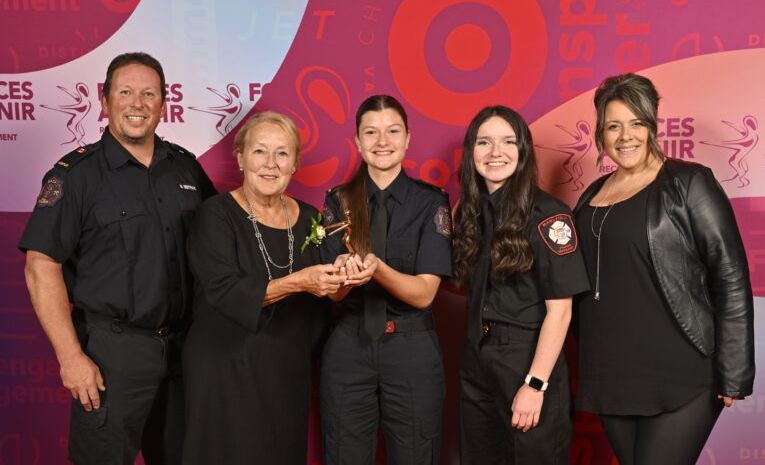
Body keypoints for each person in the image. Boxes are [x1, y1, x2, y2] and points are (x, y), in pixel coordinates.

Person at [18, 52, 216, 465]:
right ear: (104, 101)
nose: (137, 103)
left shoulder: (186, 169)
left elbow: (221, 248)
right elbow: (40, 267)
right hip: (111, 354)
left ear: (164, 104)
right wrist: (71, 358)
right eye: (125, 92)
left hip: (184, 352)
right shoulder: (74, 176)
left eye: (149, 94)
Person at [573, 73, 755, 465]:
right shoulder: (591, 195)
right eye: (613, 126)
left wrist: (735, 370)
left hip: (682, 371)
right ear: (600, 135)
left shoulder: (689, 182)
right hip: (611, 374)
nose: (626, 136)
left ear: (653, 125)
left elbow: (731, 276)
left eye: (637, 122)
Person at [181, 111, 345, 464]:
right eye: (260, 152)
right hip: (226, 368)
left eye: (282, 153)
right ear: (240, 158)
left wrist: (346, 274)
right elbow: (223, 290)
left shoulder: (310, 217)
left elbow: (324, 300)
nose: (270, 164)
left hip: (286, 373)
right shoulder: (214, 215)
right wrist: (299, 281)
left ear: (295, 163)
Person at [319, 95, 453, 465]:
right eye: (371, 132)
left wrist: (376, 268)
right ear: (357, 141)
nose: (382, 142)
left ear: (408, 138)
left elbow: (424, 294)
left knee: (415, 454)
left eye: (393, 131)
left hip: (411, 348)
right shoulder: (337, 201)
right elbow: (332, 294)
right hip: (349, 345)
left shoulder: (432, 204)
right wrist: (344, 276)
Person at [452, 106, 590, 464]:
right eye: (484, 142)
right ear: (471, 153)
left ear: (523, 151)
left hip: (526, 358)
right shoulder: (470, 212)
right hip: (476, 357)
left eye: (508, 142)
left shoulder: (549, 216)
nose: (495, 152)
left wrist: (535, 384)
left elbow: (560, 312)